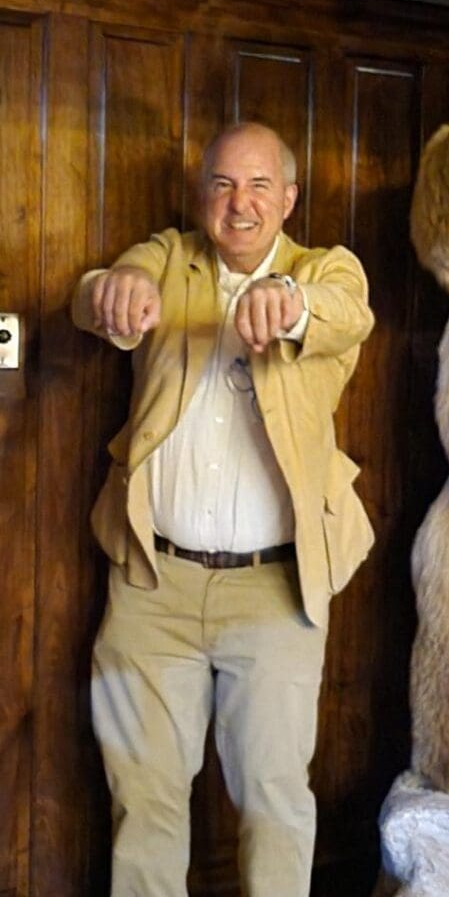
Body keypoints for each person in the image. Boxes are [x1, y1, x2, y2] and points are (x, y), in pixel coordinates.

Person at [71, 122, 375, 897]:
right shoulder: (172, 258)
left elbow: (347, 312)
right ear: (203, 195)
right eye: (222, 185)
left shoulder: (325, 271)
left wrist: (290, 303)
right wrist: (113, 288)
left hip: (274, 592)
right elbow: (102, 289)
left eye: (259, 186)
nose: (239, 205)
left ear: (289, 198)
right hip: (152, 586)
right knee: (143, 801)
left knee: (274, 801)